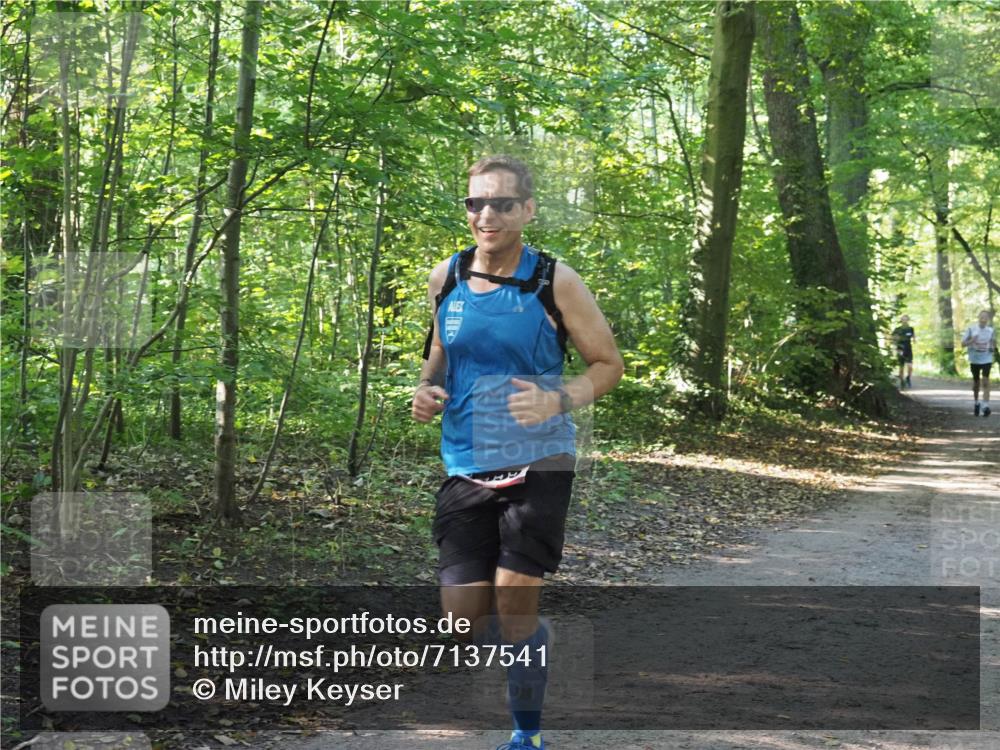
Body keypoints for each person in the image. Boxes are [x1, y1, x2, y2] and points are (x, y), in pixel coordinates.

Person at [411, 155, 624, 750]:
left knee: (514, 597)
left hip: (541, 459)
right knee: (462, 620)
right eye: (476, 203)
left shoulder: (555, 280)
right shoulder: (446, 277)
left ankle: (525, 734)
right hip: (465, 461)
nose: (486, 215)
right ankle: (528, 641)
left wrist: (559, 400)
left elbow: (608, 365)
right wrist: (426, 391)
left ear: (527, 210)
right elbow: (440, 355)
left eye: (502, 203)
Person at [961, 309, 996, 417]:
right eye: (982, 317)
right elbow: (962, 344)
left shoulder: (990, 330)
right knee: (976, 384)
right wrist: (972, 341)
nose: (983, 319)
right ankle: (976, 403)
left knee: (986, 381)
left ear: (988, 319)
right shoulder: (971, 329)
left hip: (987, 359)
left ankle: (985, 405)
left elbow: (993, 343)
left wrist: (992, 348)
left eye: (985, 317)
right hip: (975, 360)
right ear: (978, 318)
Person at [892, 314, 916, 389]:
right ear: (901, 320)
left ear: (908, 320)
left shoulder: (911, 328)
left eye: (906, 319)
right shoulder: (897, 329)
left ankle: (908, 378)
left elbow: (914, 337)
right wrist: (895, 346)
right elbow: (894, 339)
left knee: (910, 366)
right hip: (900, 348)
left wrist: (914, 339)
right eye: (903, 319)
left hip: (908, 348)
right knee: (901, 366)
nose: (905, 320)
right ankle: (902, 381)